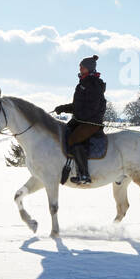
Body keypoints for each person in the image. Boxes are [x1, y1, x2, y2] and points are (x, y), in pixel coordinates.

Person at [53, 55, 106, 184]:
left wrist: (78, 115)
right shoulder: (83, 82)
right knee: (64, 132)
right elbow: (78, 106)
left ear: (88, 68)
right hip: (81, 120)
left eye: (82, 67)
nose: (80, 68)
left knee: (74, 139)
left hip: (91, 122)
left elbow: (92, 108)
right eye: (80, 66)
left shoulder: (93, 84)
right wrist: (63, 108)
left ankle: (84, 175)